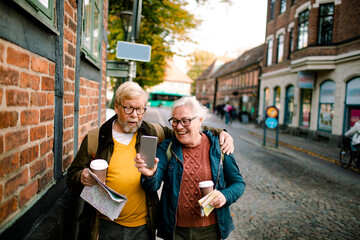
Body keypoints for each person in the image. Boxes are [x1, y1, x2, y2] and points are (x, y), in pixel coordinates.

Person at [66, 81, 235, 240]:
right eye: (129, 108)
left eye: (140, 109)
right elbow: (72, 176)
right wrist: (82, 176)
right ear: (116, 107)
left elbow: (184, 129)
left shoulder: (151, 132)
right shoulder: (96, 138)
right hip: (104, 225)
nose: (135, 115)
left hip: (142, 228)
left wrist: (220, 133)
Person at [135, 96, 245, 240]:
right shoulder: (167, 148)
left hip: (211, 231)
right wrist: (149, 175)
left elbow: (238, 184)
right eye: (175, 121)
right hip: (176, 232)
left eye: (185, 121)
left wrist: (225, 196)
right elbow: (152, 186)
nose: (179, 127)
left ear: (200, 120)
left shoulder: (220, 147)